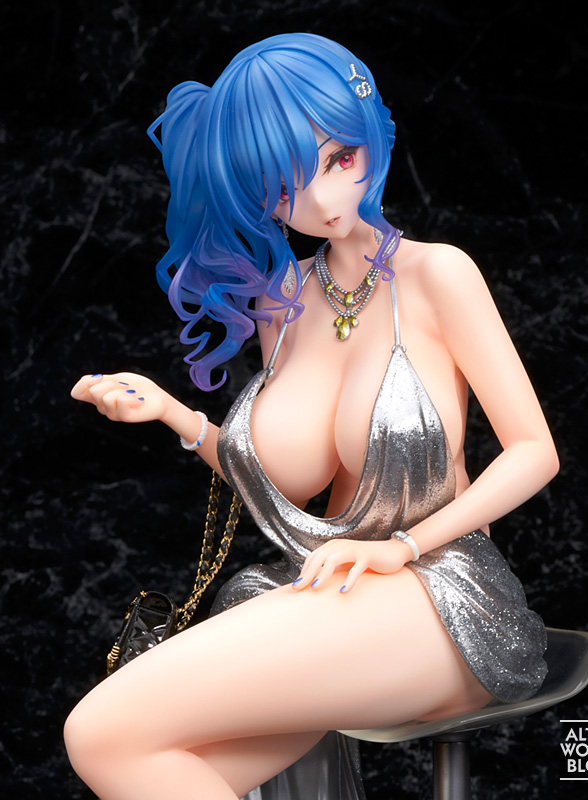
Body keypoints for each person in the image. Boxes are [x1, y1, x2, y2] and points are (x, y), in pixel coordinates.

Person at [64, 33, 559, 800]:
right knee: (124, 750)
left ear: (370, 140)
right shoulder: (283, 300)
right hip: (329, 589)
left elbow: (534, 451)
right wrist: (174, 415)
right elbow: (283, 483)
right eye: (285, 188)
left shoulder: (439, 275)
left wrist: (400, 548)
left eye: (338, 160)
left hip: (441, 596)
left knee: (99, 730)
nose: (324, 203)